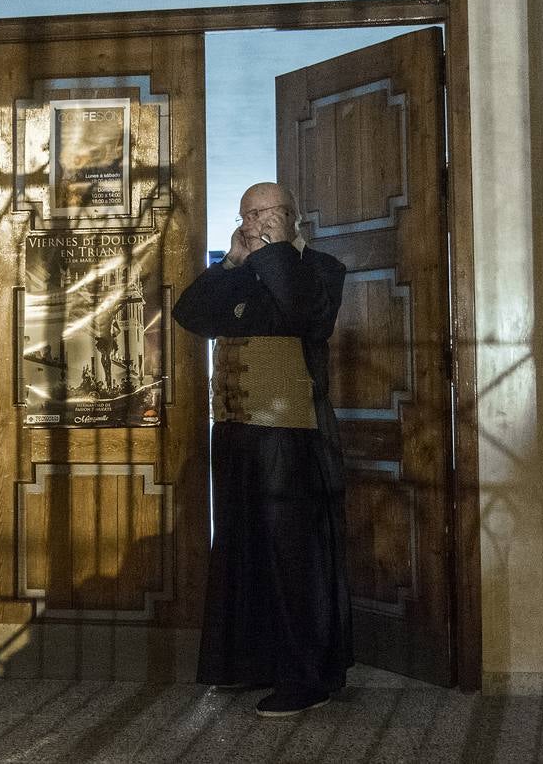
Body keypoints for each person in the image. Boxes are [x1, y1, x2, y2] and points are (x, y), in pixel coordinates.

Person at [172, 181, 351, 717]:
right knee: (243, 551)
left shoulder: (319, 269)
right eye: (245, 214)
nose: (251, 222)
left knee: (292, 560)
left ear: (290, 218)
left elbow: (304, 315)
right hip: (235, 434)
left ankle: (306, 678)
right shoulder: (246, 271)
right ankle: (250, 662)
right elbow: (192, 315)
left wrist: (274, 251)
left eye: (262, 214)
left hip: (289, 438)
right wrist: (231, 263)